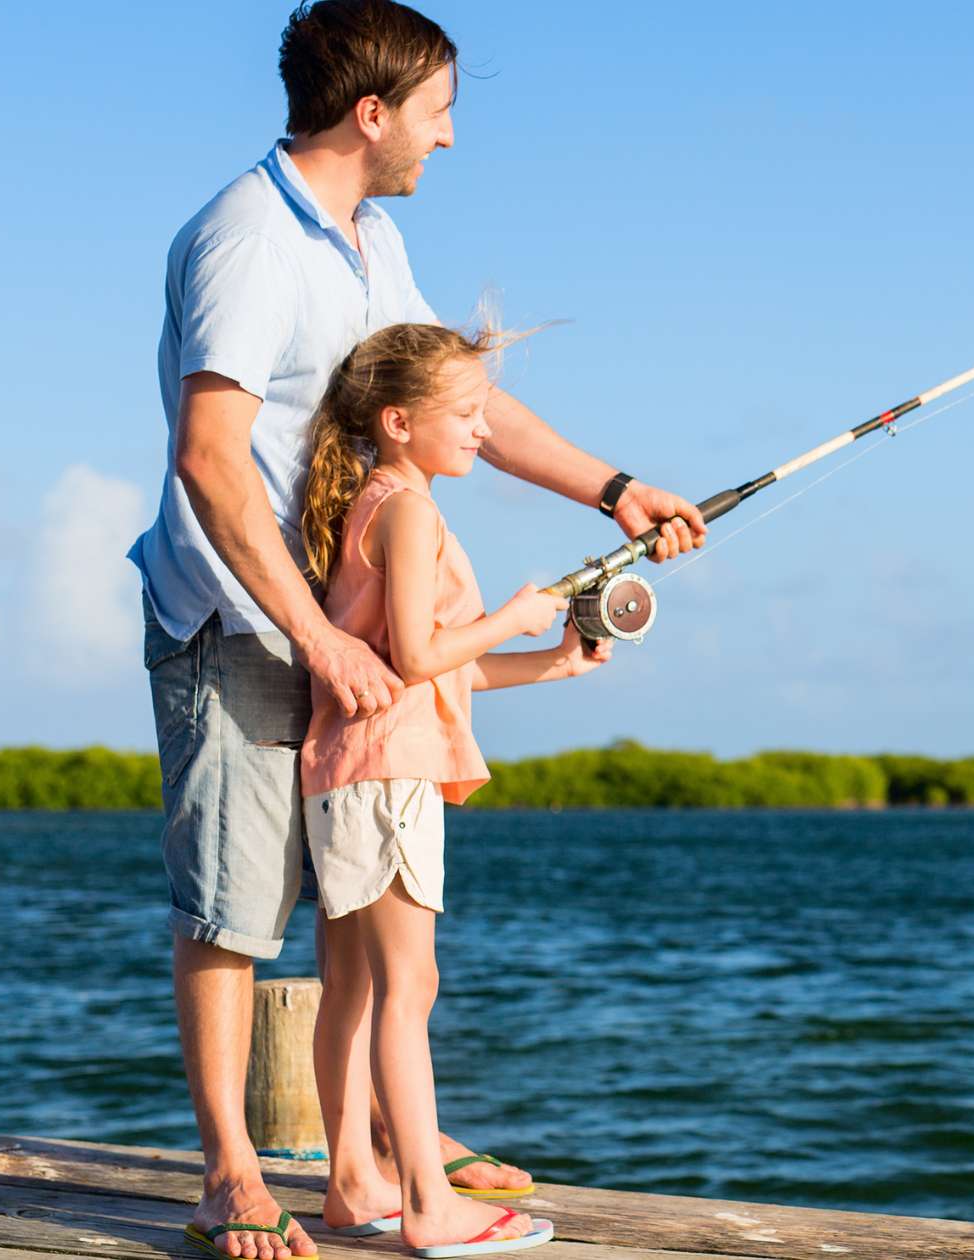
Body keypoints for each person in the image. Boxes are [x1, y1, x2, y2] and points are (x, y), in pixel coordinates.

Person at [131, 4, 704, 1256]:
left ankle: (367, 1154)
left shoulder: (370, 242)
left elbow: (463, 408)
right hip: (235, 617)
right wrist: (324, 642)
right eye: (438, 112)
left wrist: (614, 490)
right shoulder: (245, 239)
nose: (449, 139)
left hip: (345, 625)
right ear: (372, 112)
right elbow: (211, 462)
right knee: (231, 908)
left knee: (350, 918)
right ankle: (231, 1170)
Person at [297, 321, 588, 1256]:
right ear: (397, 421)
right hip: (388, 774)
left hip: (351, 768)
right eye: (465, 414)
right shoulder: (410, 510)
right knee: (407, 987)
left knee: (349, 983)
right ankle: (428, 1202)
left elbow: (413, 663)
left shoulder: (378, 501)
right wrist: (510, 615)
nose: (480, 429)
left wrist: (549, 661)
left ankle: (352, 1187)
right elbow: (424, 654)